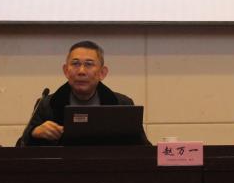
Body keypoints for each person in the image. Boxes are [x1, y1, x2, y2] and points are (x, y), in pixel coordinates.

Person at [17, 40, 149, 146]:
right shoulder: (47, 105)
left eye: (89, 64)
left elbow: (144, 149)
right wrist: (34, 133)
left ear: (102, 73)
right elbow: (20, 148)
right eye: (75, 64)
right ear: (66, 71)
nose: (81, 71)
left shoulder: (122, 104)